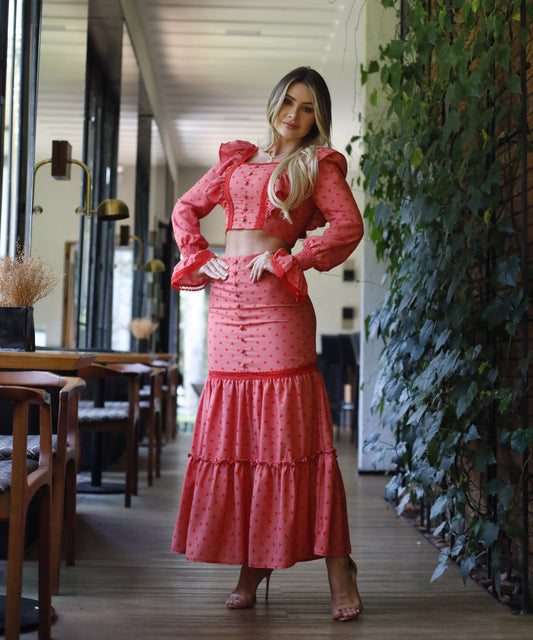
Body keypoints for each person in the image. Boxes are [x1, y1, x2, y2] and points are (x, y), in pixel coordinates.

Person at [170, 66, 364, 622]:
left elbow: (346, 226)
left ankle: (338, 568)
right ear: (275, 102)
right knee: (245, 439)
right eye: (289, 102)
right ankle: (250, 568)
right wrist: (200, 256)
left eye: (308, 108)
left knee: (292, 436)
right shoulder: (235, 160)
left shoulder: (316, 165)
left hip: (278, 305)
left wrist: (289, 258)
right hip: (228, 308)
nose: (295, 114)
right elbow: (187, 208)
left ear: (317, 118)